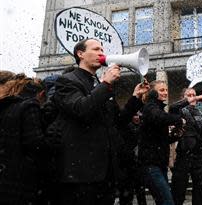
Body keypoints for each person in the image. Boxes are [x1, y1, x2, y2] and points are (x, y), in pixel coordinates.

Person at [50, 38, 149, 205]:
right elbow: (81, 109)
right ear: (80, 54)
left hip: (105, 173)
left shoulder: (99, 84)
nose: (101, 53)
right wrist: (105, 84)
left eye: (102, 49)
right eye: (96, 49)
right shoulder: (67, 81)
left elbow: (117, 122)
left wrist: (135, 98)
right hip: (81, 172)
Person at [0, 75, 54, 204]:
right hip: (19, 179)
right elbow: (36, 144)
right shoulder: (29, 106)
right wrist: (53, 136)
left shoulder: (7, 106)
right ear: (41, 94)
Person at [138, 80, 185, 205]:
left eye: (166, 90)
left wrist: (175, 136)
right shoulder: (150, 107)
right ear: (153, 92)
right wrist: (179, 120)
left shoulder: (158, 108)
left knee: (163, 201)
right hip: (150, 164)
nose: (165, 93)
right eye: (161, 90)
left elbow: (160, 138)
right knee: (167, 201)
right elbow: (160, 117)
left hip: (159, 164)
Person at [169, 88, 202, 205]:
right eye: (189, 95)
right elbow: (172, 108)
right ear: (183, 98)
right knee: (178, 193)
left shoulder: (201, 113)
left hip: (199, 157)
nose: (192, 97)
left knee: (200, 195)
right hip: (183, 156)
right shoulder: (179, 111)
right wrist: (195, 98)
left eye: (193, 95)